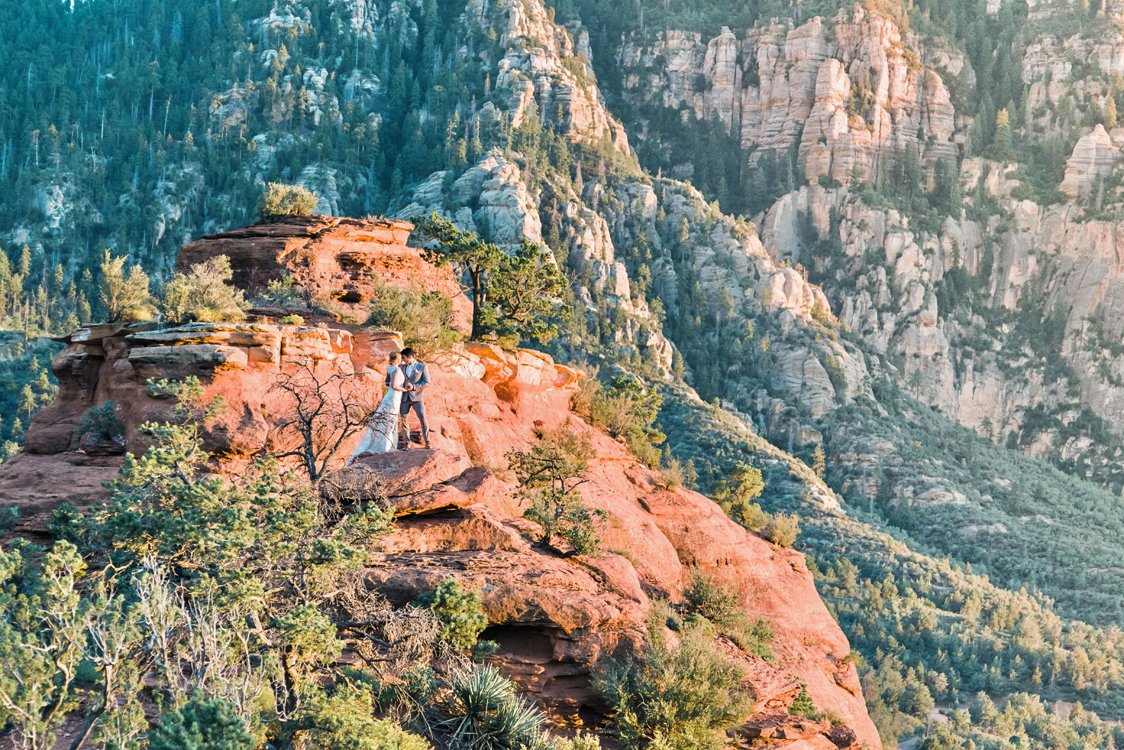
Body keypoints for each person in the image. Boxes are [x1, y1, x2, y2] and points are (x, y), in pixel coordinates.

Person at [349, 352, 409, 460]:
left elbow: (387, 383)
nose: (401, 360)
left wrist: (395, 387)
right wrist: (404, 389)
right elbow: (394, 385)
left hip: (390, 395)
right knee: (390, 418)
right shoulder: (397, 369)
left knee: (385, 417)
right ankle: (386, 445)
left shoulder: (390, 369)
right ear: (397, 359)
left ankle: (384, 442)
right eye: (400, 358)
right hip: (395, 396)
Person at [399, 347, 431, 449]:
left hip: (417, 398)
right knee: (404, 420)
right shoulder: (401, 367)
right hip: (404, 398)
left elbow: (427, 383)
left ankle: (427, 441)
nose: (403, 360)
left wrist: (414, 387)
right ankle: (406, 443)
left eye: (404, 358)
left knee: (423, 418)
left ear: (410, 357)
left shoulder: (422, 367)